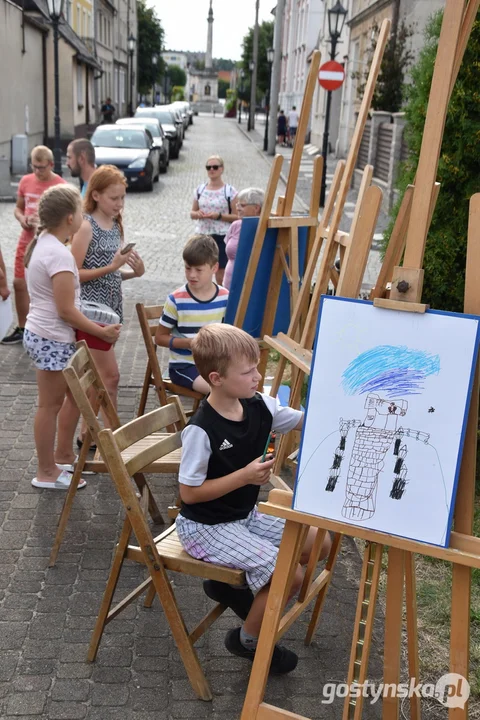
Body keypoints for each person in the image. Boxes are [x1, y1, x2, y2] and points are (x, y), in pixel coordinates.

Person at [175, 323, 332, 673]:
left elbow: (305, 421)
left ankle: (235, 589)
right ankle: (247, 641)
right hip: (204, 527)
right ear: (216, 378)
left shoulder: (261, 405)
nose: (258, 377)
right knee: (288, 576)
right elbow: (189, 494)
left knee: (318, 543)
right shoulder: (202, 429)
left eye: (257, 368)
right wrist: (243, 477)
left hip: (241, 517)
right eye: (248, 372)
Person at [23, 184, 121, 489]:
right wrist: (100, 332)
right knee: (49, 406)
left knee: (69, 399)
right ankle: (46, 471)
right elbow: (66, 310)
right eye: (80, 210)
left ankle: (60, 458)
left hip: (47, 334)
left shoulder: (47, 244)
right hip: (51, 337)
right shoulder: (59, 255)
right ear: (69, 218)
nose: (83, 215)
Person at [70, 165, 144, 442]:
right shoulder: (86, 226)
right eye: (114, 198)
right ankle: (106, 436)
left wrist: (131, 273)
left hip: (111, 311)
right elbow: (74, 273)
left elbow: (110, 273)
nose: (119, 204)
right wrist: (112, 266)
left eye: (122, 198)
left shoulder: (114, 224)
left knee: (99, 378)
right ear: (96, 195)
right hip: (91, 312)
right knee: (110, 378)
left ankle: (88, 434)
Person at [2, 146, 65, 345]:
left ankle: (47, 327)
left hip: (47, 242)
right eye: (35, 167)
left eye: (42, 168)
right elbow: (18, 208)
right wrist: (22, 218)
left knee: (46, 288)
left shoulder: (60, 185)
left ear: (51, 165)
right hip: (26, 239)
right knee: (19, 283)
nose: (38, 171)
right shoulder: (25, 181)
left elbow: (67, 219)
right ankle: (22, 327)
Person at [155, 234, 229, 395]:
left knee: (238, 386)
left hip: (215, 364)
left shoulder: (225, 297)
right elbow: (160, 338)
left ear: (214, 268)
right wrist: (190, 343)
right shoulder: (176, 300)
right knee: (218, 391)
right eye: (188, 268)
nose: (192, 275)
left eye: (198, 270)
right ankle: (206, 420)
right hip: (184, 366)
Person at [190, 155, 238, 286]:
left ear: (222, 169)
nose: (212, 170)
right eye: (208, 167)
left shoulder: (229, 191)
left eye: (215, 167)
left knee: (221, 275)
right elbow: (192, 213)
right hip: (202, 235)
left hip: (222, 236)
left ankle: (221, 299)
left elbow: (237, 216)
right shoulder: (200, 190)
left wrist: (219, 216)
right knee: (200, 270)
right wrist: (198, 213)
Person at [223, 187, 264, 290]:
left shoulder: (266, 228)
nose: (237, 208)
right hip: (229, 284)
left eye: (242, 205)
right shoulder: (235, 225)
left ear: (256, 208)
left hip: (251, 288)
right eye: (237, 204)